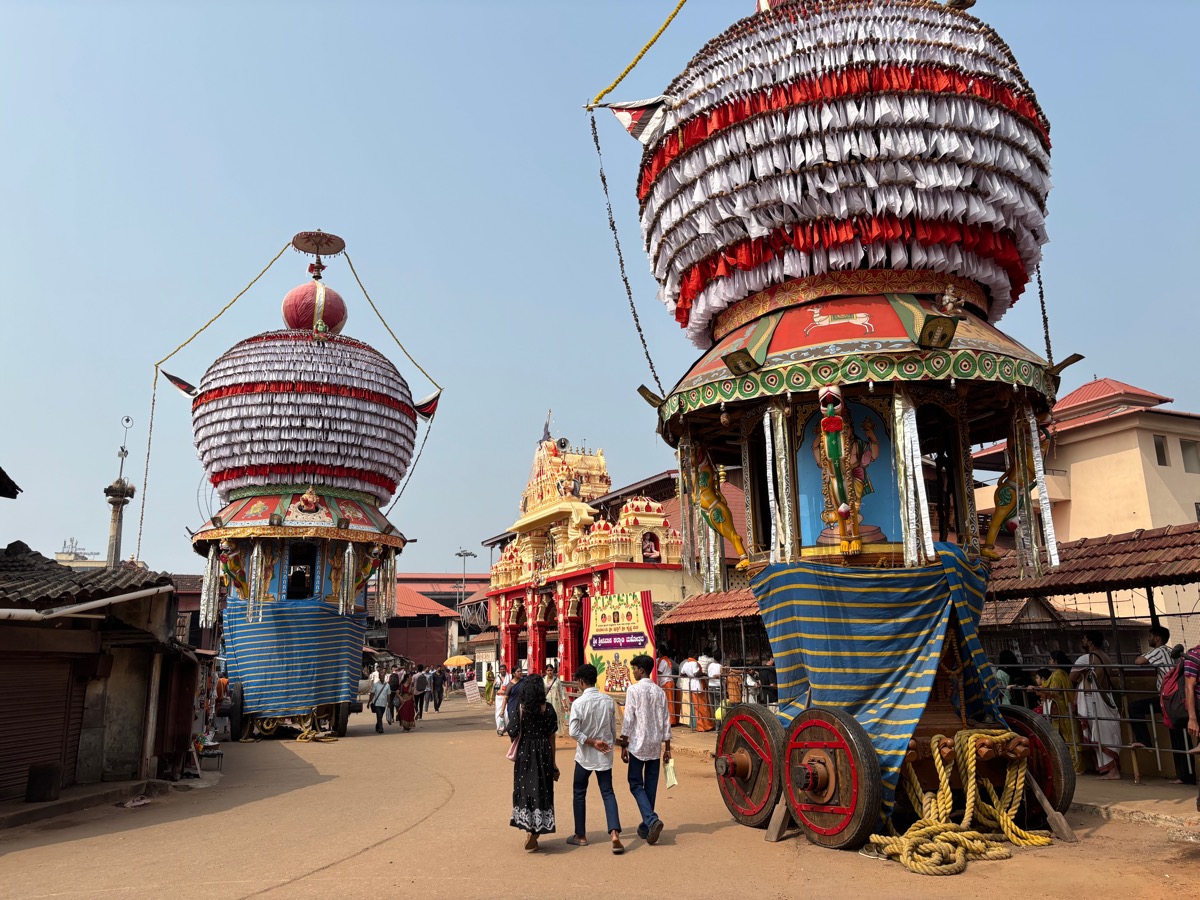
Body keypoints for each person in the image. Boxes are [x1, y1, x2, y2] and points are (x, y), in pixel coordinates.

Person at [566, 664, 623, 853]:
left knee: (579, 792)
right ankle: (614, 832)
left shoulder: (579, 703)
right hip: (604, 754)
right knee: (608, 792)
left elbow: (573, 731)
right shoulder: (607, 701)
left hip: (584, 755)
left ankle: (580, 835)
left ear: (581, 682)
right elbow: (613, 729)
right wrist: (607, 742)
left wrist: (591, 741)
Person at [619, 654, 672, 845]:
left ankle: (651, 819)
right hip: (655, 744)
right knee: (650, 785)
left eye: (634, 669)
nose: (633, 672)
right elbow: (666, 720)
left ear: (641, 670)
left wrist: (624, 744)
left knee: (634, 783)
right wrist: (667, 748)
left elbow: (629, 719)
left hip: (637, 744)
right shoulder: (659, 692)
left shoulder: (633, 690)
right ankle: (646, 824)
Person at [508, 675, 559, 851]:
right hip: (543, 751)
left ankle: (529, 828)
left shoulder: (521, 708)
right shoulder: (548, 709)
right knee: (542, 788)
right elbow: (552, 737)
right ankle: (537, 829)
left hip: (525, 752)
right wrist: (553, 763)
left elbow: (512, 731)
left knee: (526, 788)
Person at [1071, 631, 1122, 779]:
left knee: (1100, 734)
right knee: (1107, 733)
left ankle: (1113, 772)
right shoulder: (1106, 657)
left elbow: (1072, 677)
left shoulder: (1086, 658)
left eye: (1084, 638)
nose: (1082, 640)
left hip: (1094, 700)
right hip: (1106, 698)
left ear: (1090, 642)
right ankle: (1111, 770)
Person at [1033, 666, 1083, 774]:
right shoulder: (1062, 674)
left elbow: (1053, 691)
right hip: (1062, 711)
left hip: (1062, 711)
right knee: (1070, 739)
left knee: (1071, 739)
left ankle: (1075, 767)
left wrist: (1037, 689)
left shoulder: (1057, 675)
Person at [544, 663, 570, 738]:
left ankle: (555, 730)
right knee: (547, 716)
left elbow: (561, 692)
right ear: (546, 671)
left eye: (551, 670)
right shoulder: (543, 680)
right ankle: (548, 730)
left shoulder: (557, 681)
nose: (549, 672)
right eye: (548, 670)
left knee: (555, 716)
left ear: (553, 670)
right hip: (547, 701)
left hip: (556, 701)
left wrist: (564, 704)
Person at [679, 655, 704, 730]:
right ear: (694, 655)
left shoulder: (686, 664)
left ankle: (693, 724)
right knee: (699, 705)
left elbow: (682, 674)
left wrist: (689, 675)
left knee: (693, 705)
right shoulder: (694, 663)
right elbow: (696, 674)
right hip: (696, 684)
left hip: (690, 684)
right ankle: (700, 725)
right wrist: (703, 673)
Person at [658, 650, 679, 726]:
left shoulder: (663, 661)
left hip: (667, 683)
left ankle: (671, 721)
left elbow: (659, 671)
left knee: (669, 702)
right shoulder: (663, 660)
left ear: (660, 652)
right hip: (666, 682)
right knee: (667, 702)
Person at [707, 650, 724, 726]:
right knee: (718, 707)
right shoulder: (720, 666)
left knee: (713, 706)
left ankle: (715, 724)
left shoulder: (710, 665)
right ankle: (718, 726)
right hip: (717, 687)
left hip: (710, 686)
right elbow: (722, 675)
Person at [495, 664, 511, 735]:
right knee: (499, 713)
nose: (502, 670)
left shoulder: (510, 677)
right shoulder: (497, 678)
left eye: (503, 669)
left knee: (507, 714)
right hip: (499, 698)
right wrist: (504, 692)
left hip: (508, 698)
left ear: (506, 669)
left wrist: (507, 693)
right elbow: (496, 690)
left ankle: (508, 728)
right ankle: (500, 729)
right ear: (499, 671)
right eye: (501, 669)